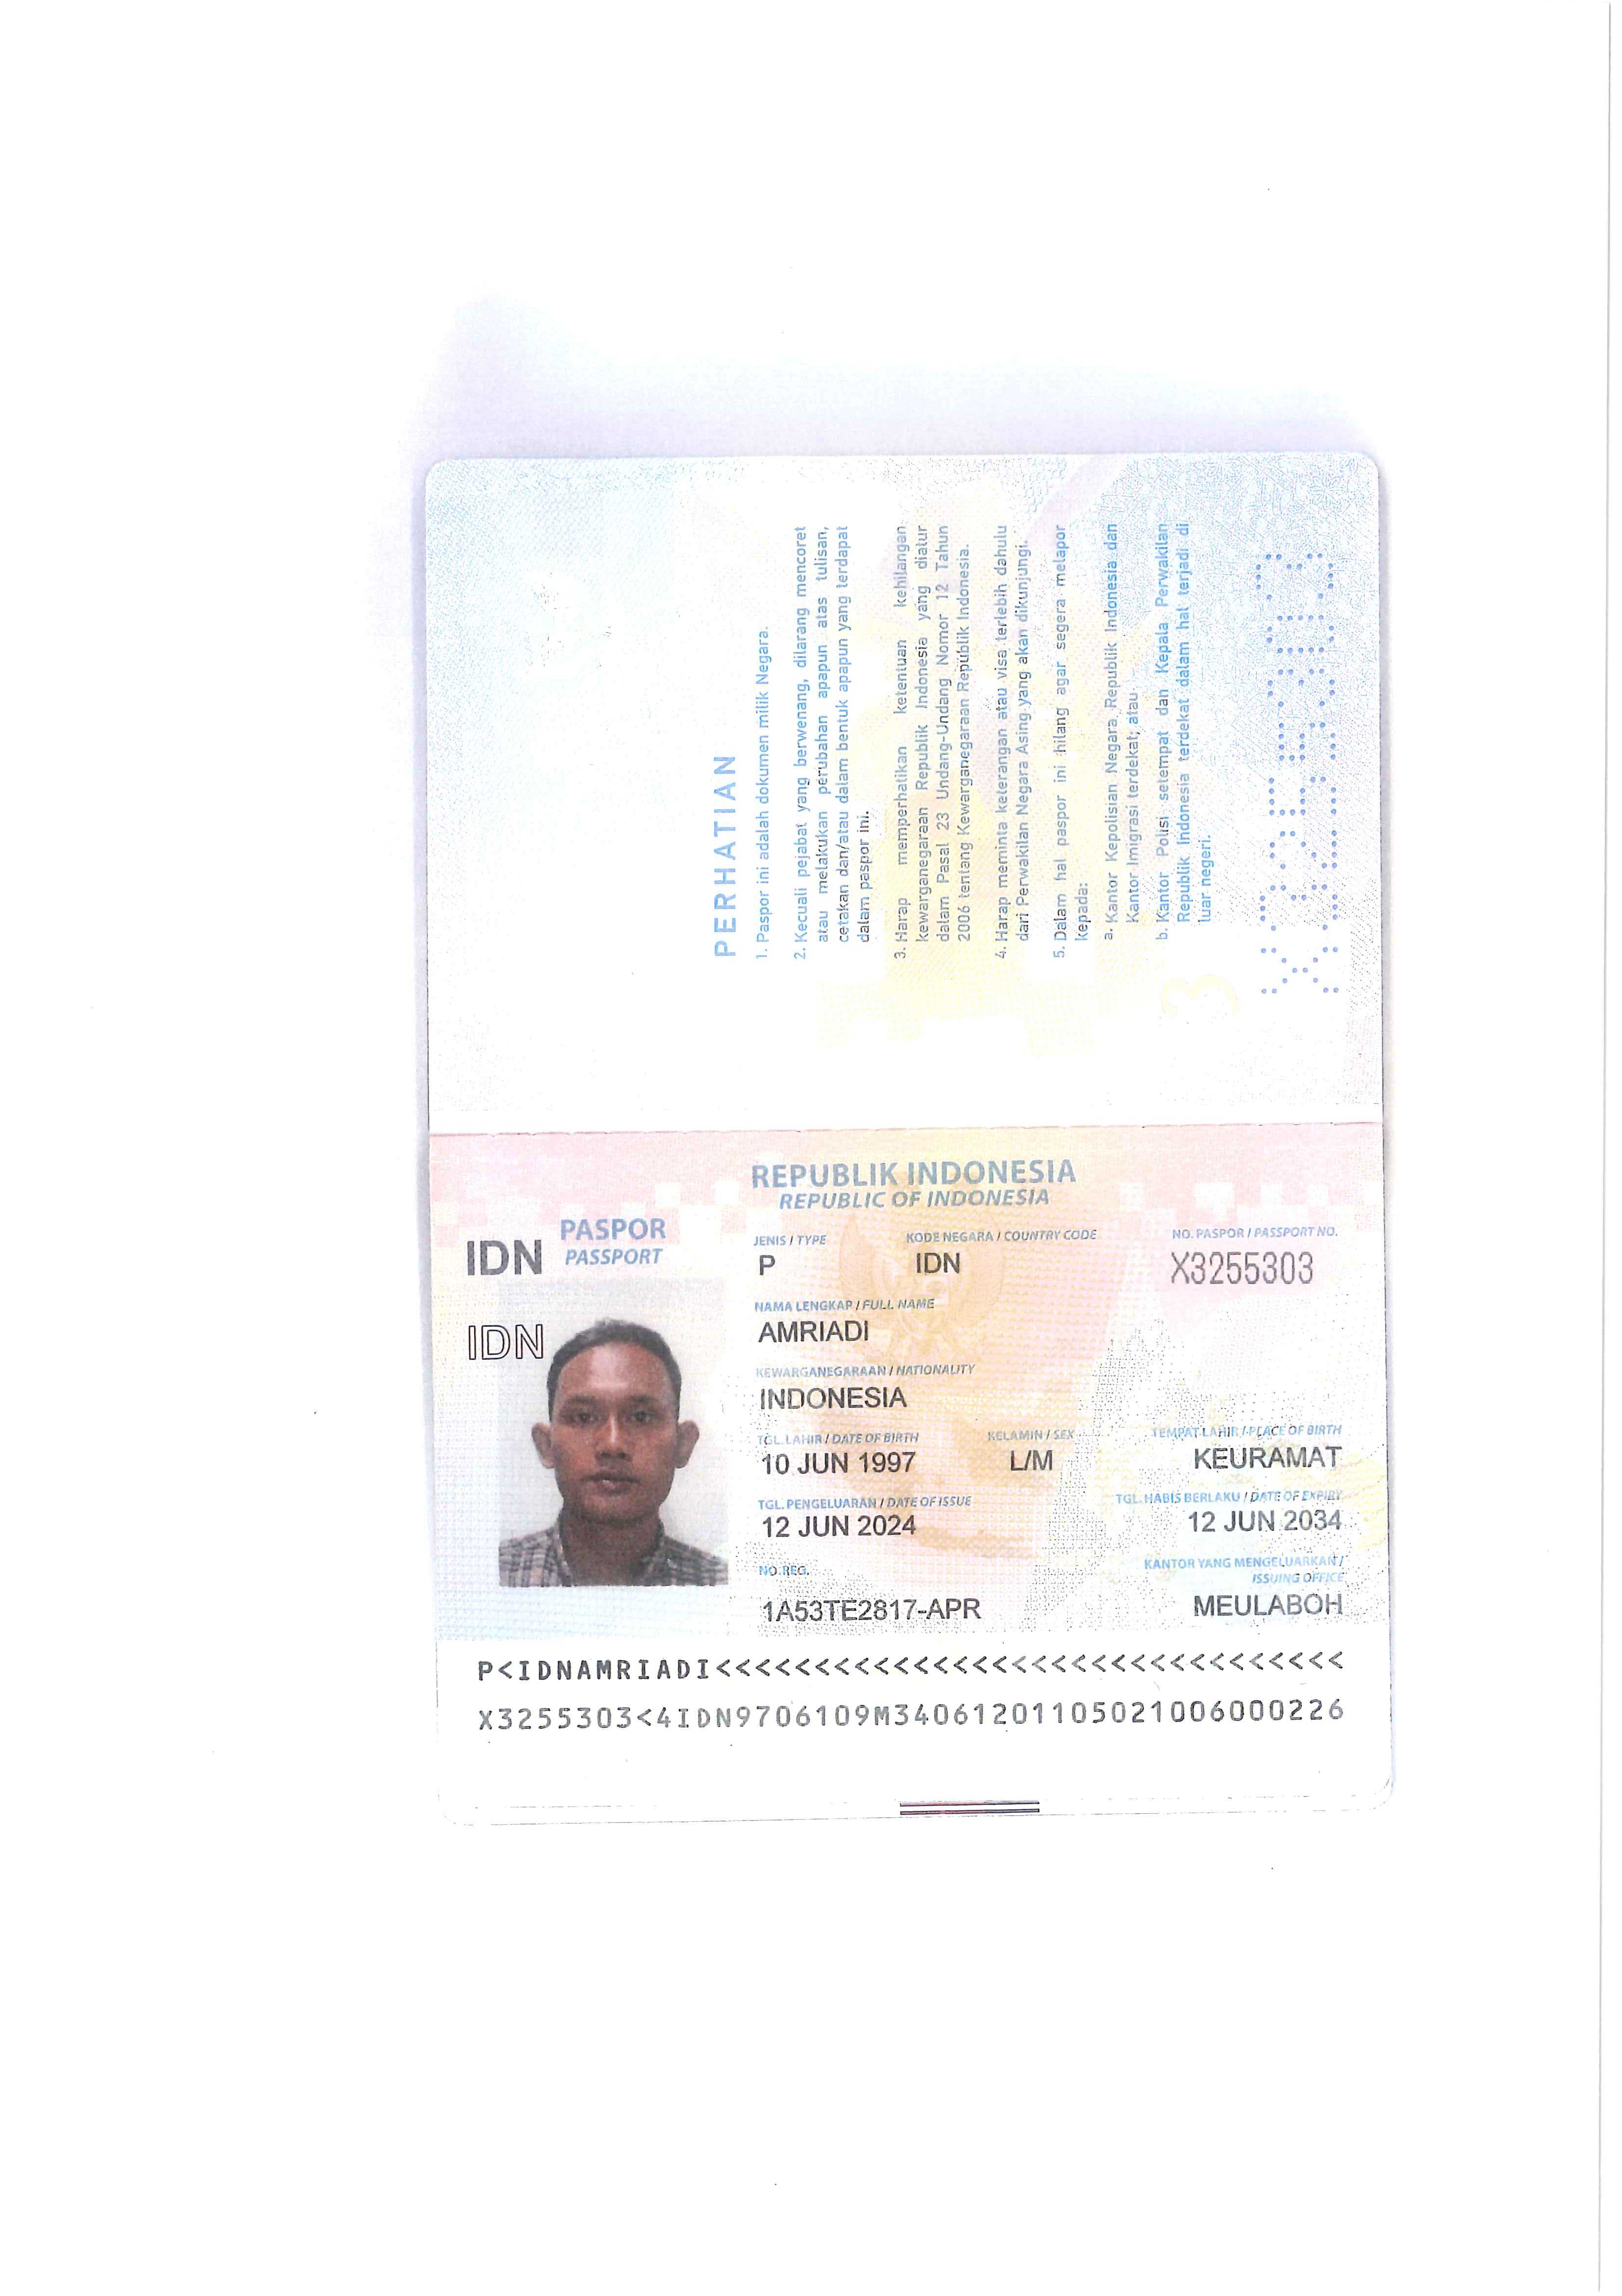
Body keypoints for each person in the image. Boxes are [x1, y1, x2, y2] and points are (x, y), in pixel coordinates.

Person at [499, 1319, 726, 1587]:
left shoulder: (726, 1585)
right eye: (584, 1417)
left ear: (683, 1445)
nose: (613, 1445)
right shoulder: (491, 1576)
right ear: (546, 1446)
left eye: (641, 1417)